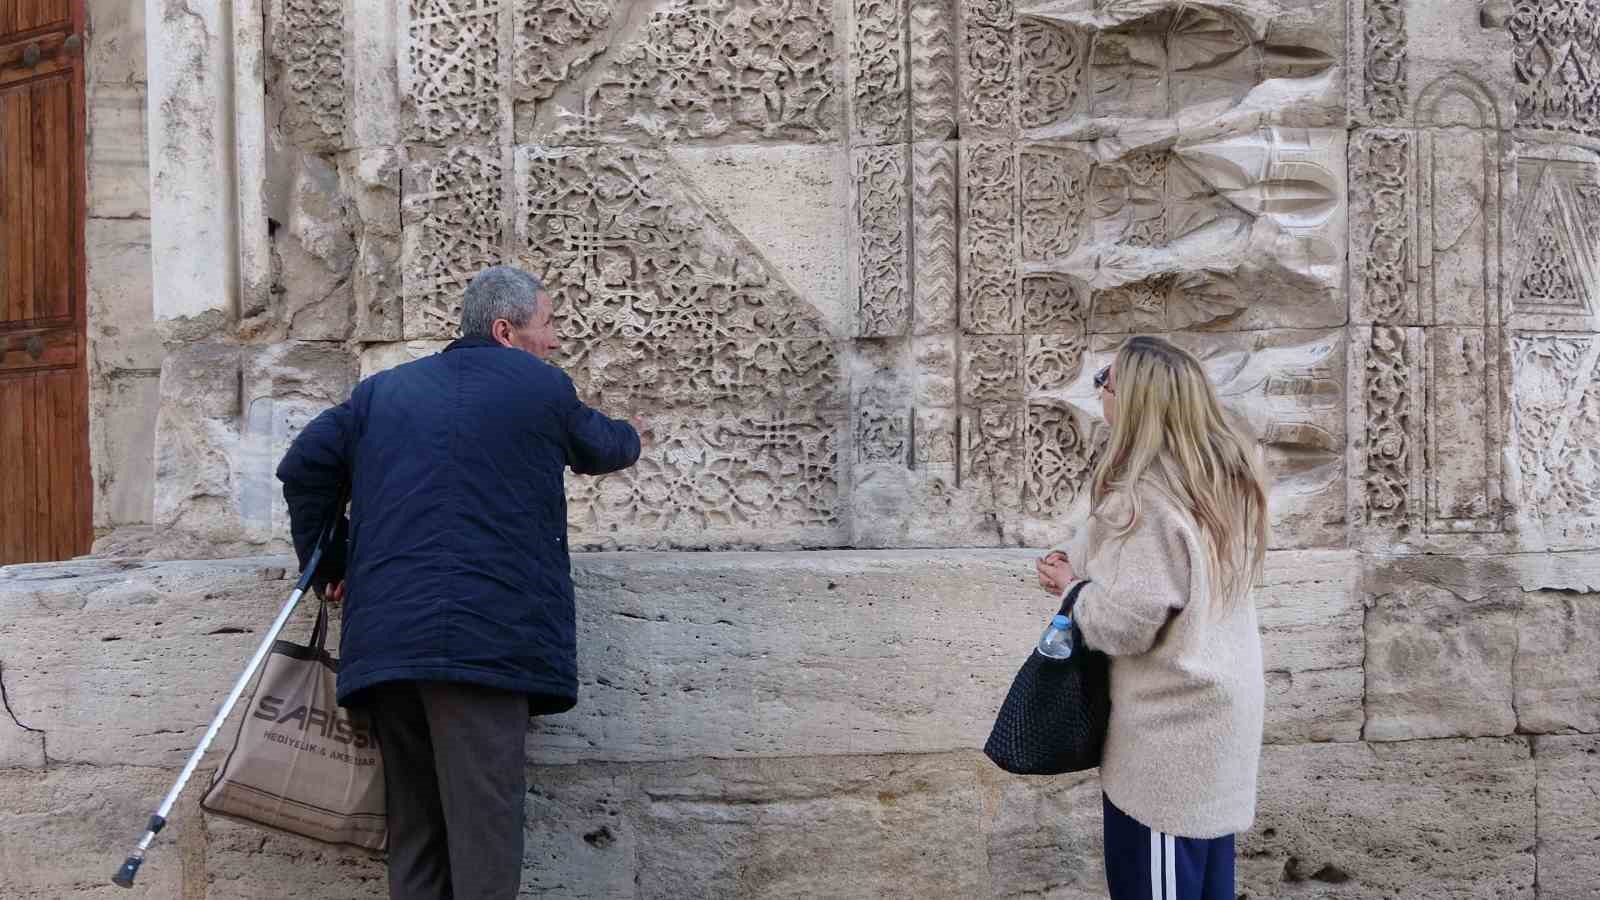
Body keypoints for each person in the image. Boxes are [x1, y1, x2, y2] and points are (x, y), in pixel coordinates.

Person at [275, 265, 642, 900]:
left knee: (415, 832)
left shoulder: (380, 392)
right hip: (485, 645)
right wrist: (635, 431)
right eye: (548, 324)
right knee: (484, 834)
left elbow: (303, 465)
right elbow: (605, 447)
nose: (555, 339)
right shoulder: (540, 386)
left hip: (389, 643)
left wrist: (333, 562)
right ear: (505, 331)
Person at [1034, 335, 1268, 900]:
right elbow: (1150, 571)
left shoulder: (1148, 499)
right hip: (1215, 724)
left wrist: (1071, 591)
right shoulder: (1220, 482)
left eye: (1106, 382)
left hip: (1169, 748)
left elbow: (1126, 624)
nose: (1100, 392)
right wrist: (1081, 559)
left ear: (1134, 402)